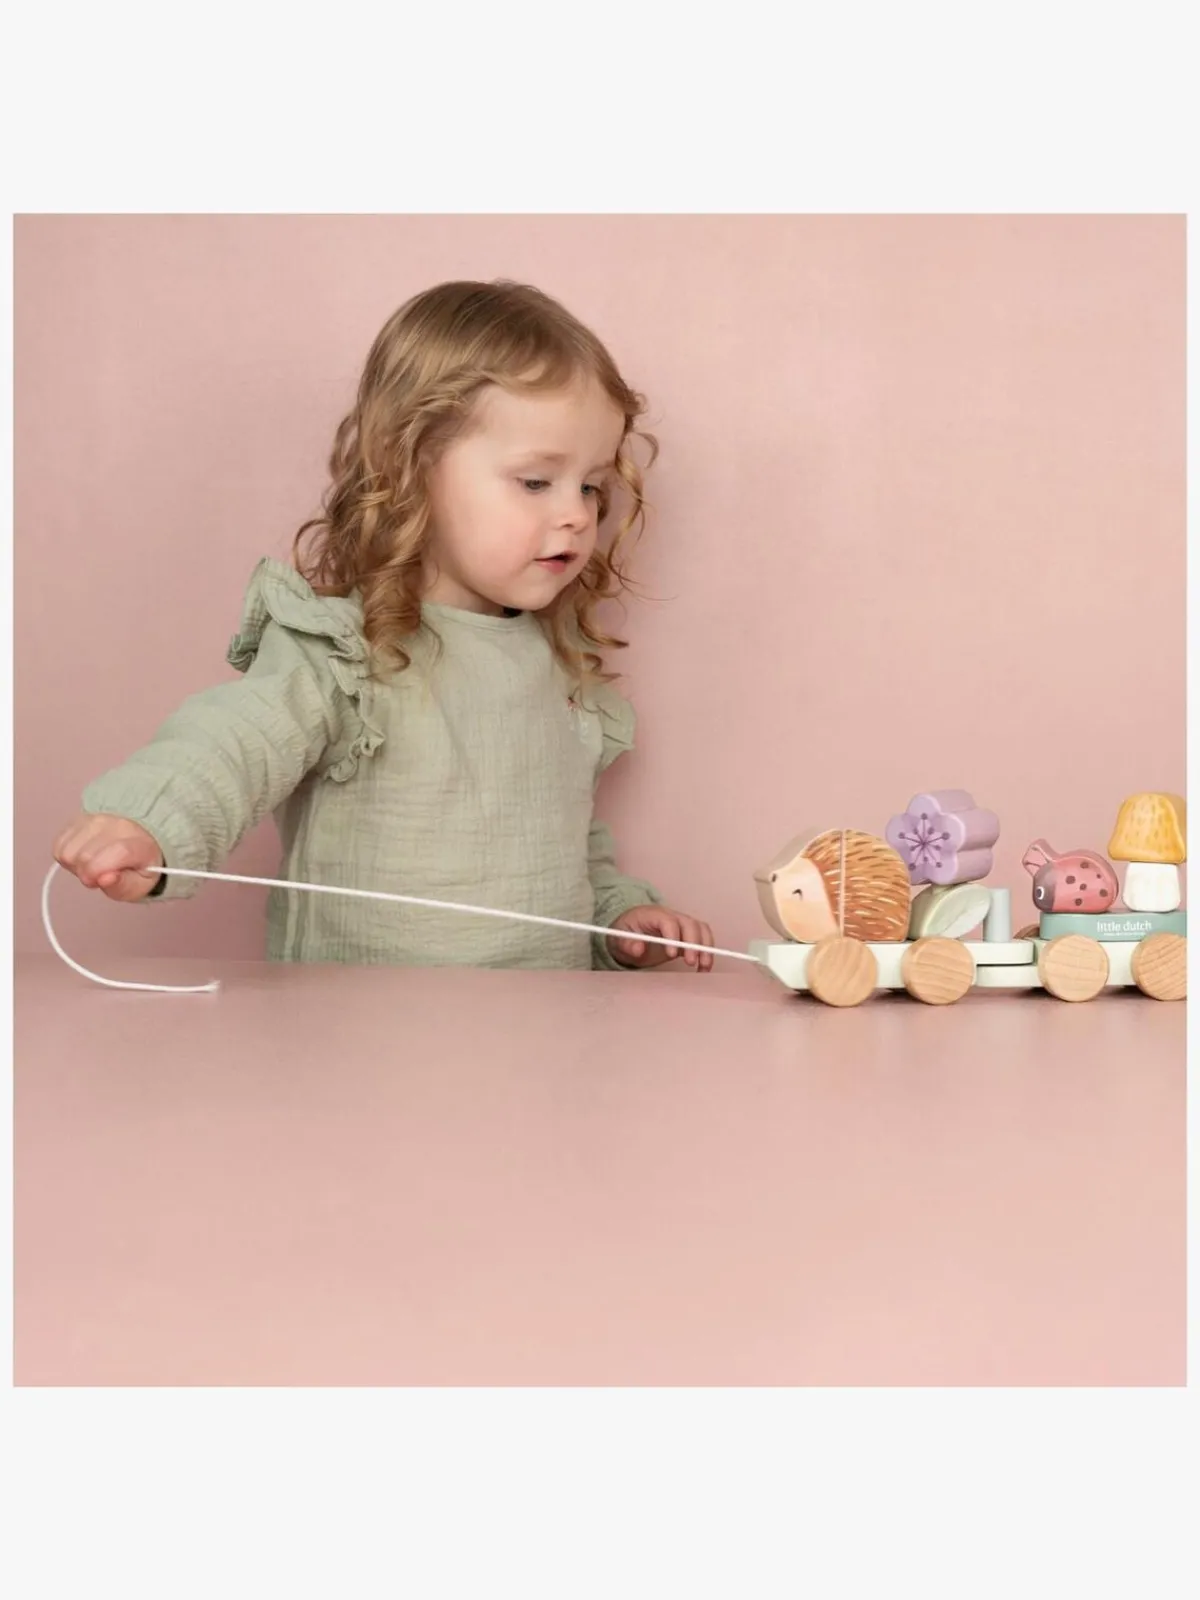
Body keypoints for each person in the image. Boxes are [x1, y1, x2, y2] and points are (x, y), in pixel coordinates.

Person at [52, 279, 716, 972]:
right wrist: (150, 822)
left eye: (591, 486)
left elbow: (560, 840)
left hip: (543, 1024)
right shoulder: (347, 648)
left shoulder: (556, 668)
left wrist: (615, 917)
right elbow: (235, 742)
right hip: (360, 1022)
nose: (578, 514)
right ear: (412, 467)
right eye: (535, 482)